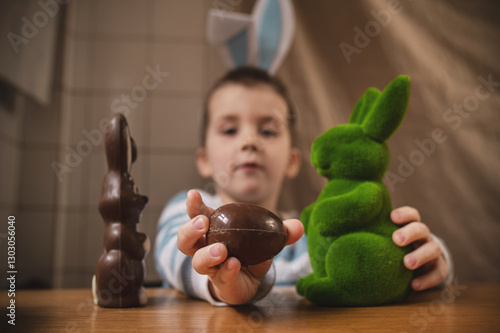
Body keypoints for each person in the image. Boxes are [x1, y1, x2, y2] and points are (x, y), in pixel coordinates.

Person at [155, 66, 453, 306]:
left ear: (293, 161)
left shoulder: (309, 230)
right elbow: (172, 254)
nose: (250, 142)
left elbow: (379, 261)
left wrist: (424, 260)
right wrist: (218, 282)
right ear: (204, 160)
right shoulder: (186, 211)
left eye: (268, 130)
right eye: (230, 129)